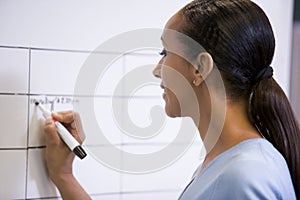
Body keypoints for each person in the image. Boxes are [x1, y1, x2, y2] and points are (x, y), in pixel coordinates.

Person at [43, 0, 299, 199]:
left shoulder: (243, 177)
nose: (157, 69)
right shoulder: (230, 164)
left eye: (165, 52)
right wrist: (64, 176)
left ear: (200, 67)